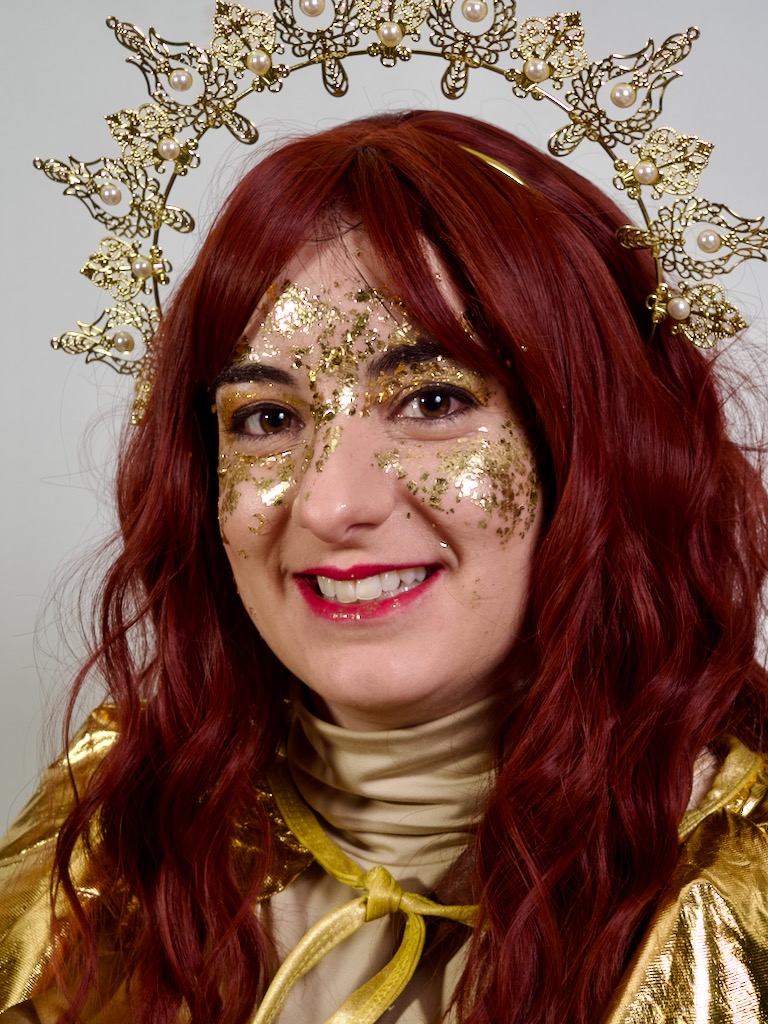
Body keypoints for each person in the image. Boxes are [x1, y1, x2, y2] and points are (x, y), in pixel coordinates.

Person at [1, 109, 767, 1024]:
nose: (329, 505)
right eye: (268, 419)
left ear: (590, 448)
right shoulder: (112, 840)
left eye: (433, 401)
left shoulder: (735, 887)